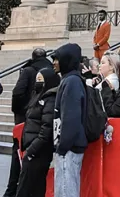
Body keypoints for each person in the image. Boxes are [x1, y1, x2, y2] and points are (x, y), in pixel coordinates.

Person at [8, 49, 51, 194]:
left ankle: (11, 190)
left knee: (19, 156)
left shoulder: (28, 71)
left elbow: (18, 93)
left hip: (29, 121)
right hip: (37, 123)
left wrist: (21, 111)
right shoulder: (51, 70)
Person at [17, 68, 60, 197]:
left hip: (38, 151)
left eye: (40, 80)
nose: (37, 83)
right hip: (33, 148)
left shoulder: (50, 99)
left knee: (28, 188)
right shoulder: (37, 97)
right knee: (33, 187)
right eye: (36, 80)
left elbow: (46, 129)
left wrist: (31, 150)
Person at [52, 43, 87, 197]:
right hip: (69, 146)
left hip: (69, 148)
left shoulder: (72, 81)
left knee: (66, 191)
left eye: (57, 59)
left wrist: (62, 146)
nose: (54, 62)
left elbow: (71, 117)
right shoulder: (70, 80)